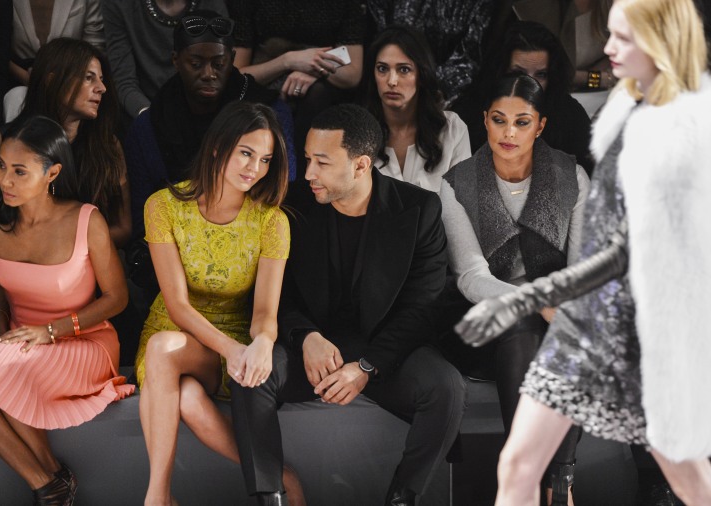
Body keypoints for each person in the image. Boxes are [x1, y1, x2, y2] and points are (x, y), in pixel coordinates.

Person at [456, 0, 711, 504]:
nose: (511, 131)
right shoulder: (470, 138)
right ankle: (557, 482)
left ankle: (625, 480)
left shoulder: (580, 125)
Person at [228, 104, 465, 506]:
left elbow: (424, 308)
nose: (308, 174)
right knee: (251, 375)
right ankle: (270, 497)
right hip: (312, 349)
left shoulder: (420, 209)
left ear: (361, 165)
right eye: (306, 159)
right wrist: (305, 337)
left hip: (385, 353)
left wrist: (368, 367)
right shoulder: (292, 206)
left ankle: (402, 498)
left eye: (321, 162)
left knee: (446, 387)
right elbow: (273, 292)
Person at [0, 115, 134, 505]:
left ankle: (52, 479)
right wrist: (1, 329)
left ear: (52, 172)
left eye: (19, 171)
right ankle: (48, 481)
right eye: (1, 166)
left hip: (83, 343)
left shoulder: (86, 219)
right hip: (18, 342)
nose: (5, 181)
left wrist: (49, 331)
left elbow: (117, 298)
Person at [134, 101, 304, 506]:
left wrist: (262, 343)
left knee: (189, 383)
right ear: (217, 147)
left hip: (233, 344)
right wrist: (233, 350)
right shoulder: (163, 207)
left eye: (265, 159)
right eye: (246, 153)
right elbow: (176, 305)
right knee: (184, 390)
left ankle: (280, 476)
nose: (255, 168)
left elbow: (265, 312)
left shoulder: (271, 221)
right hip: (174, 336)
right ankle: (159, 496)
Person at [441, 74, 589, 505]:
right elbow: (470, 276)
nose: (509, 133)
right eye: (499, 120)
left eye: (522, 122)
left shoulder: (573, 176)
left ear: (540, 125)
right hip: (487, 322)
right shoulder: (455, 184)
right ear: (484, 121)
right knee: (521, 327)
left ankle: (556, 481)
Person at [125, 10, 296, 247]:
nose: (208, 74)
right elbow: (142, 214)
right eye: (196, 64)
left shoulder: (269, 111)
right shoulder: (151, 125)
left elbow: (284, 184)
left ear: (232, 59)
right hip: (172, 244)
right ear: (176, 60)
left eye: (219, 64)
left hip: (252, 239)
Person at [0, 37, 131, 247]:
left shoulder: (108, 145)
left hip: (85, 262)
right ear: (52, 80)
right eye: (89, 78)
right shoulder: (4, 140)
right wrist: (19, 242)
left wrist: (65, 247)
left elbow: (123, 227)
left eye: (101, 78)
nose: (102, 88)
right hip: (19, 258)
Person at [229, 0, 366, 178]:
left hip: (321, 90)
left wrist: (316, 68)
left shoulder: (344, 5)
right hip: (265, 83)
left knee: (317, 96)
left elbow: (353, 73)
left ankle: (308, 182)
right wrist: (288, 61)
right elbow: (236, 75)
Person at [454, 21, 594, 174]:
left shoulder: (569, 115)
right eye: (519, 73)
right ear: (500, 71)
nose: (530, 83)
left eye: (541, 75)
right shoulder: (469, 113)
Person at [361, 26, 471, 192]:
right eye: (382, 69)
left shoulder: (452, 129)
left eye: (404, 69)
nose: (391, 81)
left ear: (422, 74)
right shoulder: (358, 131)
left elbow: (462, 207)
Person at [102, 0, 228, 122]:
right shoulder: (120, 4)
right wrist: (150, 117)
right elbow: (124, 81)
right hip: (143, 112)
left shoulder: (212, 4)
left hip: (200, 112)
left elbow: (220, 75)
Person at [367, 0, 494, 107]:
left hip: (447, 100)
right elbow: (378, 37)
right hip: (382, 93)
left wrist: (430, 85)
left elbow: (470, 55)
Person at [9, 0, 104, 86]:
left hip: (75, 80)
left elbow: (94, 47)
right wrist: (25, 77)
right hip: (16, 79)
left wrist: (68, 80)